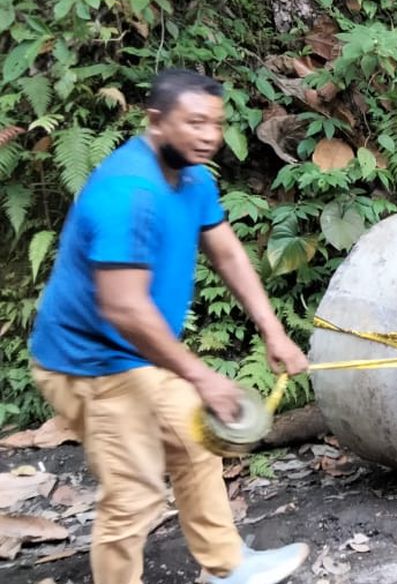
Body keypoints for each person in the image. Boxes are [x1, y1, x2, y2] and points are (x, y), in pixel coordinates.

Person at [29, 69, 311, 584]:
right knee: (135, 493)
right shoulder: (127, 194)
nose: (208, 135)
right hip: (90, 364)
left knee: (196, 437)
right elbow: (125, 310)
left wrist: (273, 329)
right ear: (155, 121)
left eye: (216, 124)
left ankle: (227, 566)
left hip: (137, 356)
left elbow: (226, 251)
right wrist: (203, 376)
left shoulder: (193, 176)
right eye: (194, 122)